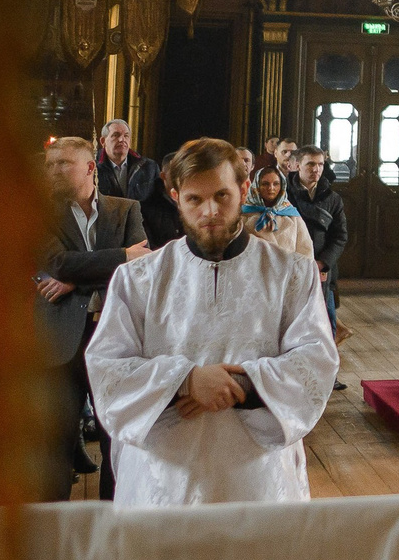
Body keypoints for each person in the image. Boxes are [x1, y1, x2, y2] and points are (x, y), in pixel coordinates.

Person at [84, 139, 339, 504]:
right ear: (175, 197)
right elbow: (108, 368)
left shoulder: (291, 273)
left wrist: (242, 383)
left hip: (259, 480)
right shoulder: (137, 279)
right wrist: (185, 381)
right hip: (162, 483)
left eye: (222, 196)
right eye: (194, 199)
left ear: (243, 189)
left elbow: (316, 360)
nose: (210, 211)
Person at [36, 136, 150, 499]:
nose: (53, 171)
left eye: (63, 164)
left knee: (117, 436)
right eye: (50, 164)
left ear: (89, 168)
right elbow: (58, 263)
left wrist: (73, 283)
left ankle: (112, 524)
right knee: (54, 444)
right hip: (60, 339)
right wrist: (119, 257)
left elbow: (141, 270)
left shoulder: (126, 209)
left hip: (114, 337)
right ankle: (51, 532)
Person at [289, 145, 350, 381]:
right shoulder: (284, 195)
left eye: (321, 165)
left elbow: (340, 235)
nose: (316, 170)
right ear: (297, 166)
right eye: (310, 165)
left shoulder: (332, 198)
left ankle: (327, 376)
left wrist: (322, 262)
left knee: (326, 322)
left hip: (323, 271)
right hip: (293, 268)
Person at [97, 116, 181, 245]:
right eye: (116, 135)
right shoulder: (92, 167)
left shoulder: (148, 167)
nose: (122, 140)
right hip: (105, 233)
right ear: (103, 141)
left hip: (140, 232)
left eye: (126, 136)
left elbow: (160, 201)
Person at [241, 166, 312, 262]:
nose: (271, 188)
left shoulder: (292, 214)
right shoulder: (244, 214)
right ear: (257, 186)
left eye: (276, 184)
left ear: (282, 186)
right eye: (265, 184)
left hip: (287, 273)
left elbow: (305, 251)